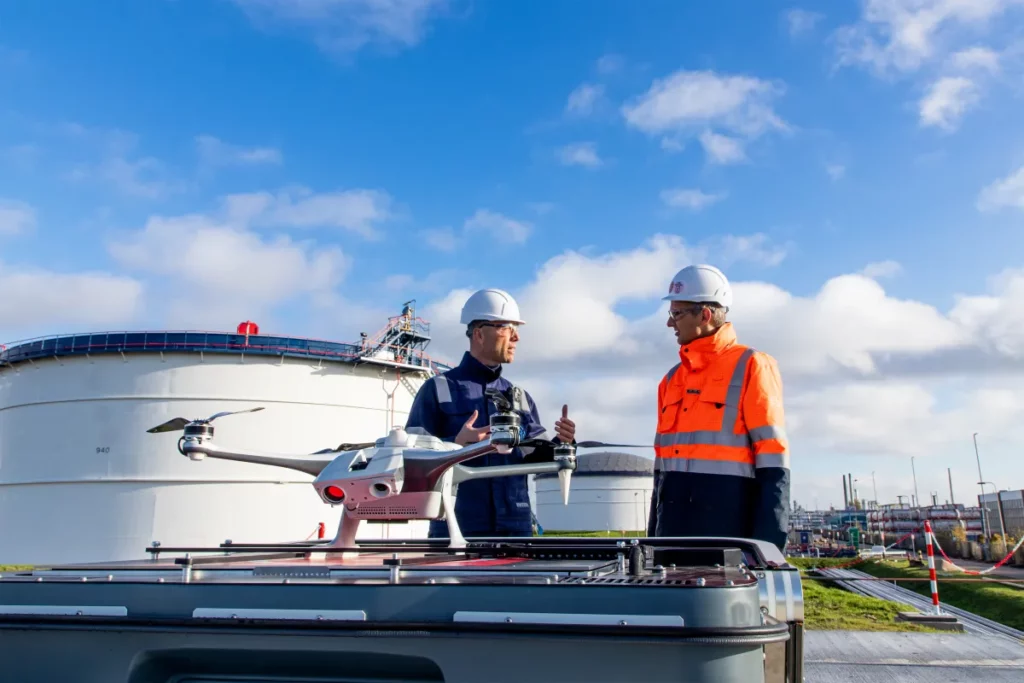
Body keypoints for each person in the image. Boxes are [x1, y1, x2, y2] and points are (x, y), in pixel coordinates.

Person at [405, 288, 576, 538]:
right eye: (507, 328)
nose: (516, 338)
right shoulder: (437, 389)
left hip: (515, 527)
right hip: (456, 528)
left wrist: (563, 442)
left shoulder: (520, 397)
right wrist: (456, 444)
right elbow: (411, 460)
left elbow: (535, 460)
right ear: (479, 333)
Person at [647, 264, 790, 551]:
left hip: (728, 536)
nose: (669, 323)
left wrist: (768, 550)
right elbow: (660, 475)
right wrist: (652, 541)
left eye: (676, 314)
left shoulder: (752, 366)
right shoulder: (670, 380)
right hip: (671, 536)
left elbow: (773, 463)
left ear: (705, 314)